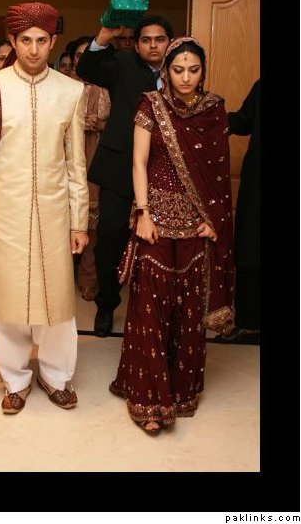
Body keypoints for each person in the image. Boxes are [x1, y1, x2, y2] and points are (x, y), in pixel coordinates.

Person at [0, 2, 89, 415]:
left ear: (53, 41)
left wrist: (79, 221)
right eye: (25, 40)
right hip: (4, 214)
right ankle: (15, 380)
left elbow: (76, 166)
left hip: (54, 215)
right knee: (9, 302)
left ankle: (56, 377)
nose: (34, 49)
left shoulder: (71, 92)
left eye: (42, 40)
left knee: (58, 304)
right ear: (13, 41)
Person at [109, 36, 234, 433]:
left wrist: (214, 220)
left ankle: (180, 393)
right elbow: (139, 162)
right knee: (150, 308)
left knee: (188, 310)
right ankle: (148, 399)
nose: (185, 77)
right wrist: (143, 213)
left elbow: (218, 172)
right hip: (156, 221)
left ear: (203, 71)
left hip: (196, 224)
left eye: (193, 70)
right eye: (178, 69)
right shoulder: (151, 105)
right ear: (166, 70)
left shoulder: (213, 110)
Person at [76, 14, 174, 336]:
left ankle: (156, 309)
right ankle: (106, 304)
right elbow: (87, 69)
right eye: (146, 40)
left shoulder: (180, 69)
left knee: (160, 241)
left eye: (159, 39)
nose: (153, 45)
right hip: (120, 166)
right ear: (137, 44)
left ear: (169, 42)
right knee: (110, 238)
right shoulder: (123, 63)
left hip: (163, 168)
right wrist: (105, 35)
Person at [214, 80, 260, 345]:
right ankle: (251, 325)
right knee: (250, 248)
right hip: (258, 184)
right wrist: (209, 117)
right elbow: (243, 121)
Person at [71, 37, 110, 301]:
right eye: (79, 55)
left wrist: (99, 124)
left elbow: (121, 123)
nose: (83, 59)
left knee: (92, 226)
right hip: (65, 160)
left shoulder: (106, 87)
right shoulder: (63, 87)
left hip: (95, 157)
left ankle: (88, 279)